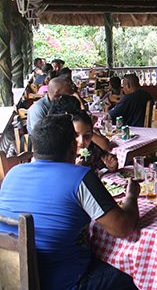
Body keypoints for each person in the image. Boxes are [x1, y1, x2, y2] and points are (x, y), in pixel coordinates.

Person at [0, 115, 139, 290]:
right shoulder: (80, 177)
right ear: (73, 147)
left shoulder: (12, 174)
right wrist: (131, 196)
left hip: (12, 280)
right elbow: (122, 228)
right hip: (63, 283)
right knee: (130, 275)